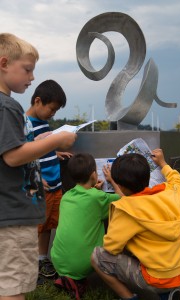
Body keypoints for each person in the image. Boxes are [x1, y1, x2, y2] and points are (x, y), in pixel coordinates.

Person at [0, 33, 77, 300]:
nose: (32, 78)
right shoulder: (7, 107)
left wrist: (41, 139)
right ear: (4, 63)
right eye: (28, 70)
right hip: (12, 215)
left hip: (6, 212)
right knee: (13, 289)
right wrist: (57, 138)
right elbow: (12, 156)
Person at [91, 149, 180, 300]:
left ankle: (130, 298)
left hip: (156, 279)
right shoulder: (171, 194)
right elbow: (177, 181)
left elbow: (112, 247)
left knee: (97, 256)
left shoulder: (125, 211)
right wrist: (163, 163)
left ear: (120, 185)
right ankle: (167, 295)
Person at [50, 153, 123, 300]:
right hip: (85, 262)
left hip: (57, 259)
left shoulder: (67, 196)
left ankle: (70, 279)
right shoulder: (97, 198)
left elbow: (86, 202)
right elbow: (122, 198)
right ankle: (76, 280)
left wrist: (94, 189)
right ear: (93, 174)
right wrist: (112, 180)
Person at [26, 79, 73, 281]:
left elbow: (42, 148)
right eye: (52, 109)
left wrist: (56, 152)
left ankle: (42, 258)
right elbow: (23, 155)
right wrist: (36, 178)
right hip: (41, 185)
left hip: (56, 184)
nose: (53, 114)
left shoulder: (44, 123)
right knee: (36, 226)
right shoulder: (24, 124)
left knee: (48, 226)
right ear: (38, 101)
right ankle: (29, 263)